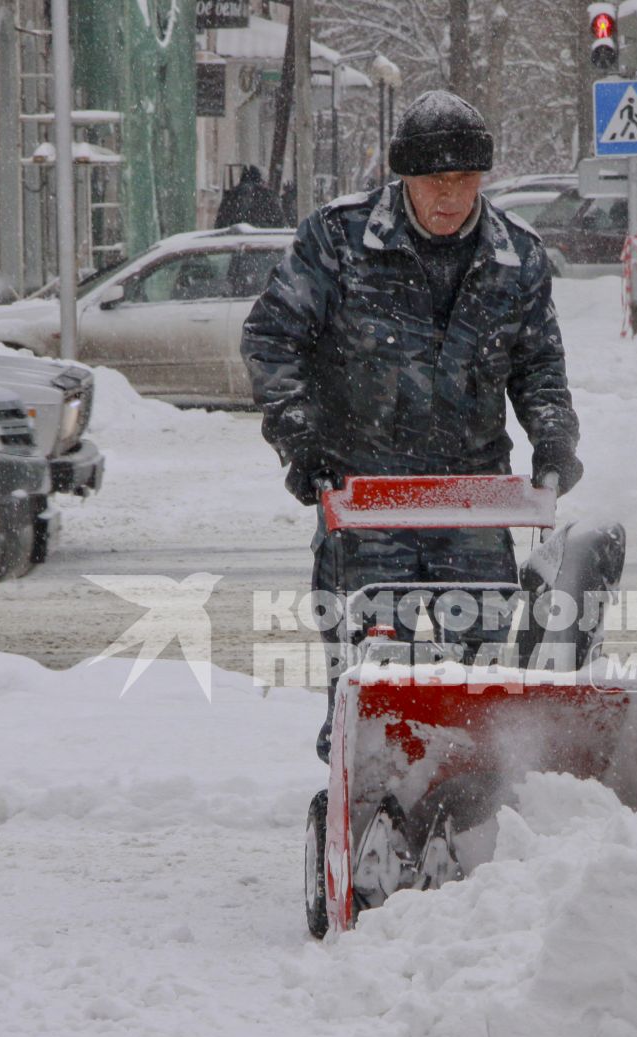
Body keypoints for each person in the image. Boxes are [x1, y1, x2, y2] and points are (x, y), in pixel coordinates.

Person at [240, 89, 581, 761]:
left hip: (473, 506)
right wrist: (301, 437)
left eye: (465, 180)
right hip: (366, 504)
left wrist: (553, 434)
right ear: (404, 179)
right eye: (434, 181)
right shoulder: (338, 242)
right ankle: (364, 805)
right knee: (373, 684)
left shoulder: (518, 257)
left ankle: (473, 804)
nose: (449, 196)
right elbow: (272, 340)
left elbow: (539, 363)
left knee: (480, 684)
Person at [215, 164, 283, 229]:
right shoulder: (268, 195)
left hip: (233, 238)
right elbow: (281, 223)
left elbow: (220, 224)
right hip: (264, 237)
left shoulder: (231, 195)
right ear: (260, 179)